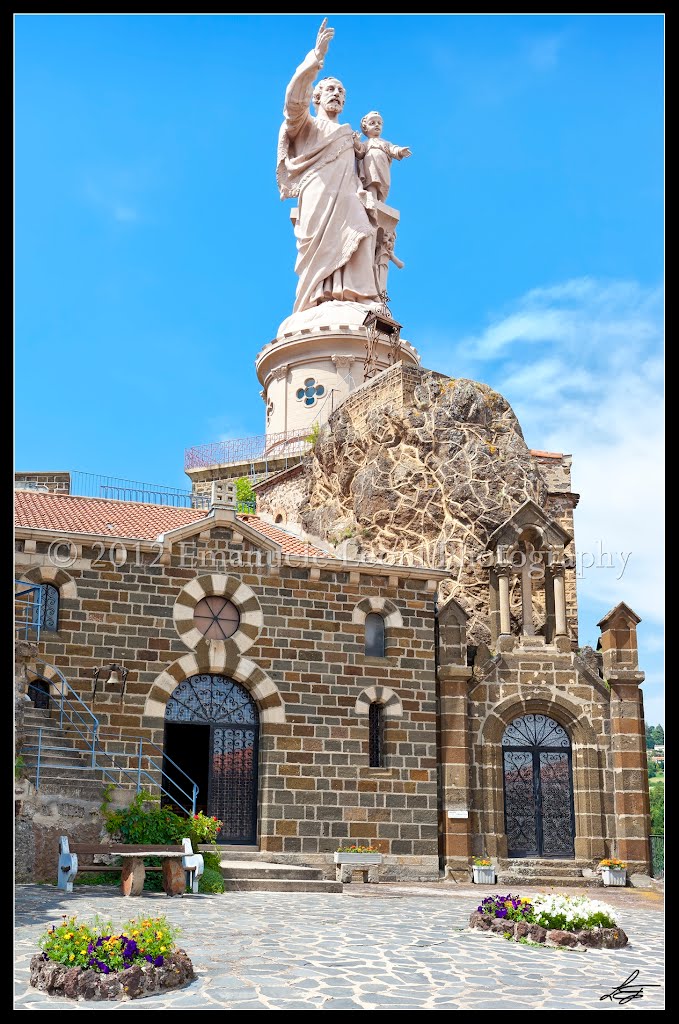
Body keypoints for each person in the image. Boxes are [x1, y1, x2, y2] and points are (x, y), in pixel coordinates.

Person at [276, 20, 379, 314]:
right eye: (330, 89)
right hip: (317, 196)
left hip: (348, 195)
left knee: (363, 232)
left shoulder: (349, 134)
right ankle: (319, 294)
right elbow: (293, 101)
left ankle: (357, 294)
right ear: (317, 96)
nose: (336, 94)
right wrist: (316, 59)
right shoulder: (306, 125)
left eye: (341, 92)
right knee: (323, 245)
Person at [355, 111, 412, 204]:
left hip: (383, 166)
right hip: (369, 166)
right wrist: (357, 142)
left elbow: (393, 149)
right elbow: (360, 153)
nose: (377, 125)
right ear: (365, 128)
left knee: (383, 184)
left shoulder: (385, 143)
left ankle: (381, 202)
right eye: (372, 123)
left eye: (379, 123)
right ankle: (372, 199)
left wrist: (400, 151)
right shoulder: (366, 143)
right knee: (371, 181)